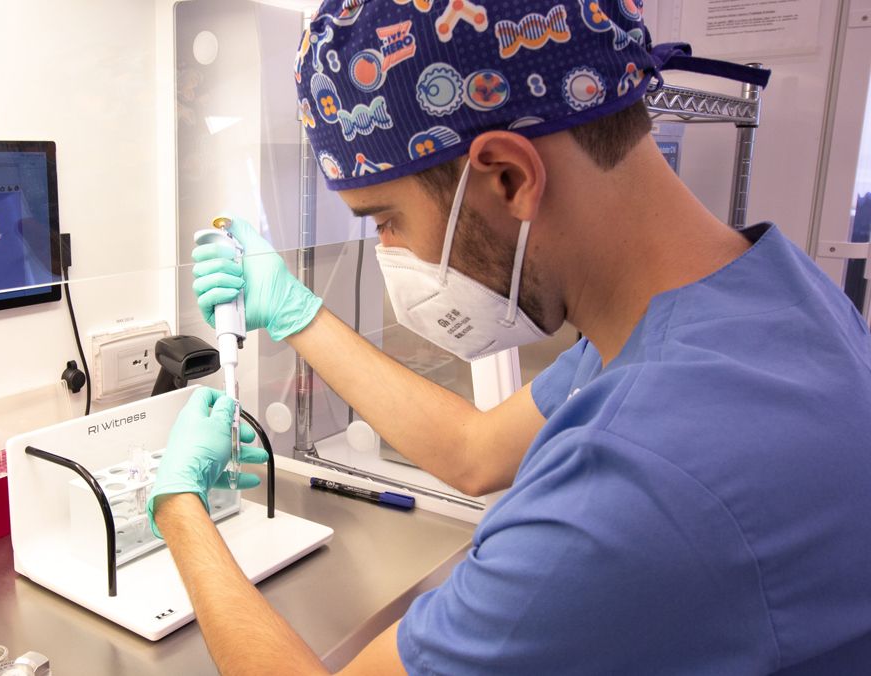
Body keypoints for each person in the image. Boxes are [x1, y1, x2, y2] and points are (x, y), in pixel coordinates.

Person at [145, 1, 871, 673]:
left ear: (507, 177)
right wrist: (295, 311)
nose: (389, 253)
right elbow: (474, 452)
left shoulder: (642, 483)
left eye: (385, 221)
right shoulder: (748, 298)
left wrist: (177, 503)